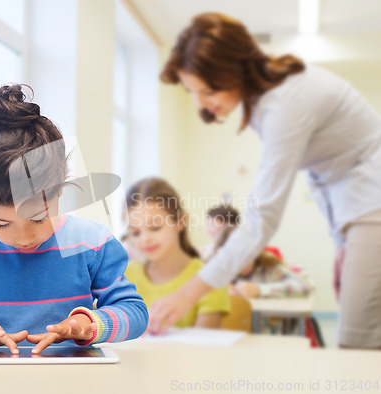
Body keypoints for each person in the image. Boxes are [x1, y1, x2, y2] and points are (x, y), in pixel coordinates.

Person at [148, 12, 381, 349]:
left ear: (236, 70)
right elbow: (327, 173)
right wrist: (343, 243)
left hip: (371, 204)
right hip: (360, 208)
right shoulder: (267, 101)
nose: (203, 104)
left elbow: (262, 218)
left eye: (209, 90)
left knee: (357, 343)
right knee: (360, 337)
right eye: (192, 92)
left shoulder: (286, 103)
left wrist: (188, 294)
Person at [0, 84, 148, 354]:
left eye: (38, 218)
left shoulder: (92, 243)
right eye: (1, 223)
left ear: (60, 192)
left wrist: (90, 324)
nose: (22, 238)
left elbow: (134, 312)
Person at [124, 177, 230, 329]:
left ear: (180, 222)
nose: (145, 239)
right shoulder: (125, 276)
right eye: (135, 233)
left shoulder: (209, 279)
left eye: (155, 228)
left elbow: (205, 348)